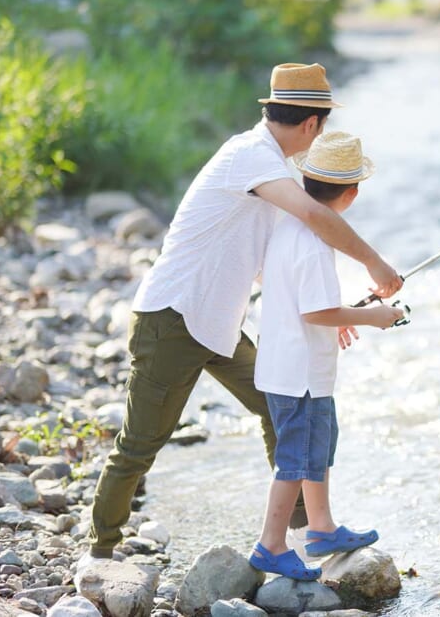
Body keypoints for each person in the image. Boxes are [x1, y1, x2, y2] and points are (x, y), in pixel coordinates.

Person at [83, 63, 403, 565]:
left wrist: (333, 312)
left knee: (276, 402)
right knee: (142, 441)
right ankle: (101, 550)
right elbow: (318, 218)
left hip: (218, 323)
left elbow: (270, 267)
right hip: (174, 317)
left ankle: (304, 531)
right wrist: (374, 262)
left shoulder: (268, 166)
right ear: (311, 125)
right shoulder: (251, 157)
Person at [249, 130, 403, 580]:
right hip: (297, 373)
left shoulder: (290, 227)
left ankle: (322, 528)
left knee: (319, 446)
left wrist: (346, 316)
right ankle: (270, 545)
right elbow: (315, 310)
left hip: (297, 367)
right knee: (295, 459)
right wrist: (375, 316)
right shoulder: (315, 244)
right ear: (351, 194)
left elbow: (307, 304)